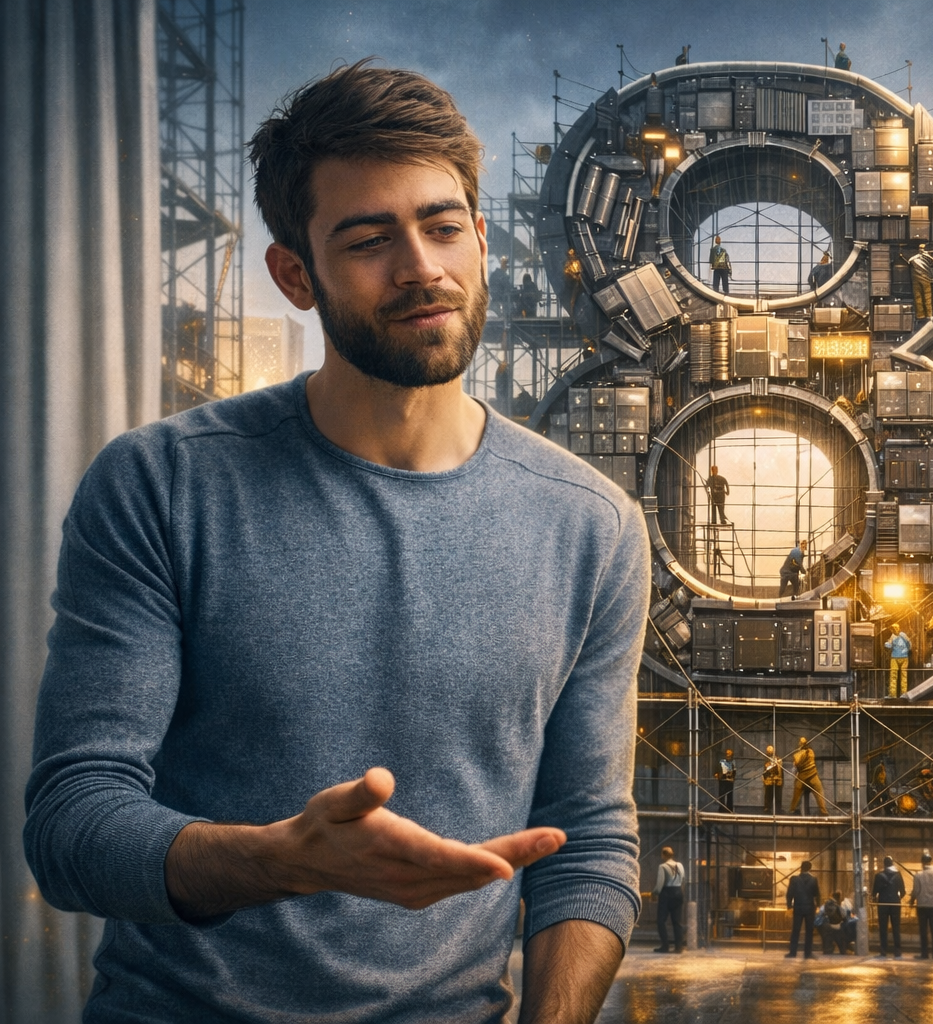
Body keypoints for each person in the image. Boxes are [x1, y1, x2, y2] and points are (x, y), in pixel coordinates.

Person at [23, 61, 645, 1023]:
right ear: (294, 275)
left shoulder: (591, 526)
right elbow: (72, 822)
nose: (420, 268)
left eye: (443, 228)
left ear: (483, 242)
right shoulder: (161, 486)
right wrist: (279, 862)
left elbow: (590, 838)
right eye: (368, 240)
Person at [911, 851, 933, 959]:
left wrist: (912, 900)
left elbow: (916, 890)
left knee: (923, 930)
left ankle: (924, 954)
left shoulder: (918, 875)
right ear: (931, 861)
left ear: (922, 863)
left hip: (922, 906)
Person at [653, 847, 686, 954]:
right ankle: (678, 947)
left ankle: (665, 946)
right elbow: (683, 879)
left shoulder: (662, 866)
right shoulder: (680, 865)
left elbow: (660, 884)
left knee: (661, 921)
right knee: (677, 922)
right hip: (678, 892)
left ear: (663, 855)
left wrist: (654, 893)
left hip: (667, 893)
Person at [785, 860, 821, 959]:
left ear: (801, 867)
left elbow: (789, 894)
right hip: (810, 908)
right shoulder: (814, 879)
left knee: (795, 930)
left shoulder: (794, 879)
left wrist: (789, 907)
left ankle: (793, 952)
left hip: (798, 907)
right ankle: (807, 953)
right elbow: (817, 895)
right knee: (809, 931)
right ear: (810, 868)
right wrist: (818, 906)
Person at [872, 855, 906, 956]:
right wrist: (897, 898)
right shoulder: (898, 875)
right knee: (896, 926)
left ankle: (883, 950)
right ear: (892, 863)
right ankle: (897, 950)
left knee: (883, 927)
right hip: (895, 903)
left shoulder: (879, 875)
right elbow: (903, 892)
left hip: (883, 904)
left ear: (884, 864)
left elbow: (874, 893)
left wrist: (878, 897)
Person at [790, 736, 829, 815]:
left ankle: (824, 811)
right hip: (802, 776)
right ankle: (792, 810)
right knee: (796, 794)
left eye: (803, 742)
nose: (802, 743)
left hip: (812, 774)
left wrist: (800, 754)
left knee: (819, 792)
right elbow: (796, 764)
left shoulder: (809, 752)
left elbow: (798, 763)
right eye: (801, 742)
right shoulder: (798, 754)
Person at [885, 624, 911, 697]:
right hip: (897, 657)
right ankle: (895, 694)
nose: (894, 630)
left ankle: (901, 694)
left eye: (895, 628)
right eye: (893, 629)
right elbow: (909, 643)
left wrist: (907, 650)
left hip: (900, 657)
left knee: (901, 676)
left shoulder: (901, 635)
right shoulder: (894, 636)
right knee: (896, 675)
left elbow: (909, 643)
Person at [489, 253, 512, 318]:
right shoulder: (502, 276)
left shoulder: (493, 275)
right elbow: (508, 288)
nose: (507, 267)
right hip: (500, 302)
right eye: (506, 264)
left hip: (495, 302)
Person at [763, 744, 784, 814]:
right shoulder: (766, 761)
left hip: (777, 780)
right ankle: (768, 808)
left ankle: (778, 809)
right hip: (769, 781)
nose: (769, 752)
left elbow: (781, 770)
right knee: (768, 795)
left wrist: (781, 780)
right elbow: (765, 771)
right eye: (768, 751)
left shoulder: (778, 760)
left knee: (778, 796)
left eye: (771, 750)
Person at [715, 747, 737, 812]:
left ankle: (729, 808)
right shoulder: (721, 761)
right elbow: (717, 768)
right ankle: (721, 808)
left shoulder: (733, 762)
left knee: (729, 795)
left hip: (730, 780)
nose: (728, 755)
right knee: (721, 794)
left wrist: (733, 777)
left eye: (729, 753)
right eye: (727, 753)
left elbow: (734, 770)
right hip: (722, 779)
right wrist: (717, 773)